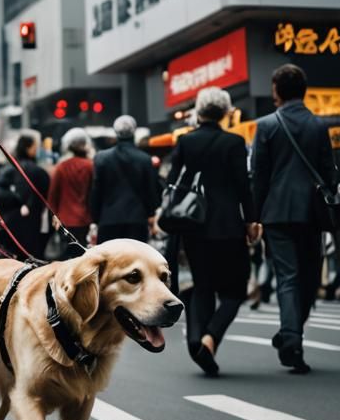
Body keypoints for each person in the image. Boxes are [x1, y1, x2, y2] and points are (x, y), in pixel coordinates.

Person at [166, 87, 259, 376]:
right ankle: (211, 337)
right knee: (235, 289)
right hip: (229, 225)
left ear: (200, 110)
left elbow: (171, 182)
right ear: (225, 111)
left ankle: (196, 339)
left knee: (202, 284)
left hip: (193, 225)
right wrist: (251, 220)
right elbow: (243, 185)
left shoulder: (185, 141)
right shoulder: (234, 142)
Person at [251, 64, 337, 374]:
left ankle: (291, 337)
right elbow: (329, 172)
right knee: (310, 277)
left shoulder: (267, 125)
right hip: (312, 213)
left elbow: (259, 176)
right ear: (303, 90)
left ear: (276, 90)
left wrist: (254, 216)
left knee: (287, 277)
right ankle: (292, 333)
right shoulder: (318, 125)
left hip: (276, 212)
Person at [90, 115, 161, 244]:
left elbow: (96, 190)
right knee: (135, 261)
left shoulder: (101, 158)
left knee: (110, 261)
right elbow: (151, 190)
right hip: (137, 220)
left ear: (115, 132)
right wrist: (151, 214)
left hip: (108, 219)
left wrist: (95, 218)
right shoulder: (145, 159)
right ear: (134, 131)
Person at [0, 134, 50, 259]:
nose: (36, 150)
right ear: (28, 148)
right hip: (33, 225)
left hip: (9, 223)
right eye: (35, 147)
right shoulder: (39, 172)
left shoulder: (7, 169)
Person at [48, 127, 93, 258]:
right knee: (83, 252)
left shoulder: (61, 167)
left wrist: (54, 215)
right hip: (85, 219)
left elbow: (52, 195)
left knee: (68, 254)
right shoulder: (90, 166)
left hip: (65, 219)